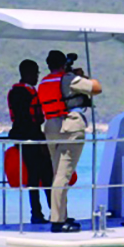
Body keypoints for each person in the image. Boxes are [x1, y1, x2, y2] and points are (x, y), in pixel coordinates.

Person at [37, 49, 103, 233]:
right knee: (62, 175)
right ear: (63, 64)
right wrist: (82, 76)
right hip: (70, 126)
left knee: (57, 172)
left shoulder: (44, 82)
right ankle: (58, 221)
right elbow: (96, 88)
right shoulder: (68, 79)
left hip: (51, 128)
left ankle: (61, 214)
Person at [7, 59, 52, 226]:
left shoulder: (21, 91)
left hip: (28, 134)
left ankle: (47, 212)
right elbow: (27, 118)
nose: (37, 76)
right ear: (28, 73)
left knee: (42, 175)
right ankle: (40, 213)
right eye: (36, 73)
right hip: (30, 136)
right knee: (39, 175)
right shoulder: (22, 93)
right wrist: (38, 139)